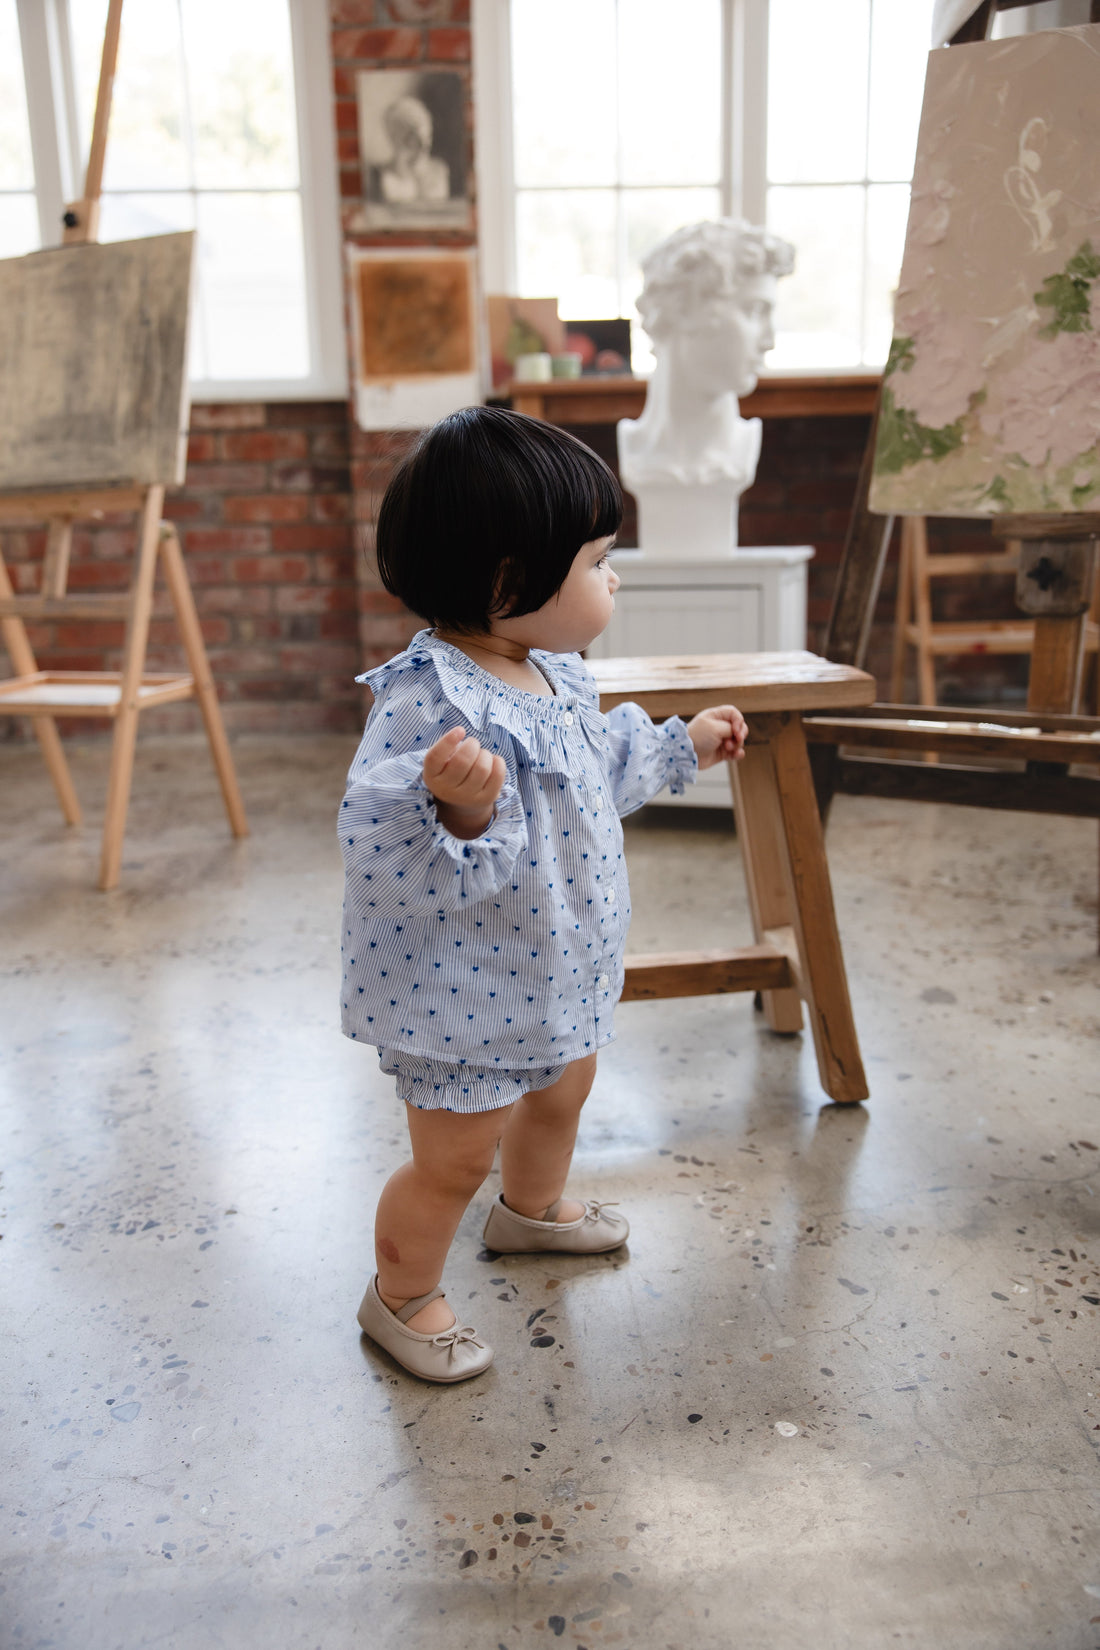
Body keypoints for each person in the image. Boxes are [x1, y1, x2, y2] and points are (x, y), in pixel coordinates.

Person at [339, 407, 747, 1384]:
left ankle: (528, 1214)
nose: (613, 576)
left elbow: (593, 762)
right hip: (462, 991)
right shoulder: (428, 700)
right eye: (597, 559)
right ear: (507, 582)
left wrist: (675, 743)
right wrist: (462, 811)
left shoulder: (551, 672)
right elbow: (380, 846)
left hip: (557, 960)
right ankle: (399, 1297)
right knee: (451, 1160)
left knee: (564, 1091)